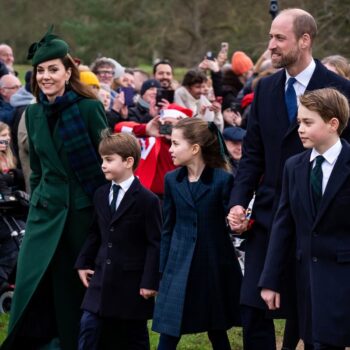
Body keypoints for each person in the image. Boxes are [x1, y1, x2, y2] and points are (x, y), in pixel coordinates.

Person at [227, 8, 350, 350]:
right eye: (270, 37)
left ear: (305, 40)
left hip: (317, 222)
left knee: (306, 319)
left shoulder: (339, 89)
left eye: (279, 38)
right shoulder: (264, 89)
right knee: (252, 309)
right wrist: (238, 201)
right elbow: (252, 156)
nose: (271, 46)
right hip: (268, 218)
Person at [1, 27, 108, 350]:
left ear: (67, 71)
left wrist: (103, 215)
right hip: (44, 212)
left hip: (81, 214)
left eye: (53, 69)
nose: (46, 76)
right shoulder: (32, 113)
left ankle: (71, 341)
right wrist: (36, 202)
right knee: (31, 281)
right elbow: (36, 168)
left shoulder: (89, 109)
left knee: (70, 285)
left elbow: (106, 164)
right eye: (41, 70)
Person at [260, 88, 350, 350]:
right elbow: (283, 225)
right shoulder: (294, 166)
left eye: (308, 122)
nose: (300, 129)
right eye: (299, 122)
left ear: (333, 123)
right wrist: (270, 279)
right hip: (306, 280)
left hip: (343, 279)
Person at [152, 118, 242, 350]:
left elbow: (231, 221)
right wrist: (162, 268)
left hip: (212, 263)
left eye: (174, 144)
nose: (170, 149)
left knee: (216, 327)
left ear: (194, 148)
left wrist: (236, 220)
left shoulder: (223, 180)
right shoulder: (172, 180)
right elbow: (168, 227)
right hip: (179, 264)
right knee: (169, 329)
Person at [75, 131, 161, 350]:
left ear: (128, 161)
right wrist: (83, 263)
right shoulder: (100, 194)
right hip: (101, 279)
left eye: (109, 160)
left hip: (131, 284)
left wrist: (149, 281)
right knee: (88, 328)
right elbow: (95, 232)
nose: (103, 165)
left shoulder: (147, 200)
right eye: (102, 159)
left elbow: (154, 242)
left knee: (134, 337)